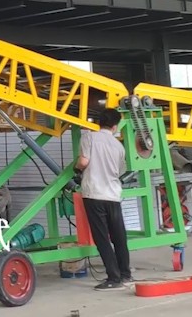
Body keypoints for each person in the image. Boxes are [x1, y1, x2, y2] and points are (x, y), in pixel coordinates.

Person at [77, 108, 132, 291]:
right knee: (119, 236)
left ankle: (113, 278)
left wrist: (77, 169)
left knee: (102, 238)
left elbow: (83, 162)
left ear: (98, 122)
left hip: (94, 194)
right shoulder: (119, 146)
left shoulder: (89, 137)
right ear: (115, 126)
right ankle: (125, 274)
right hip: (113, 195)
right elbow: (121, 170)